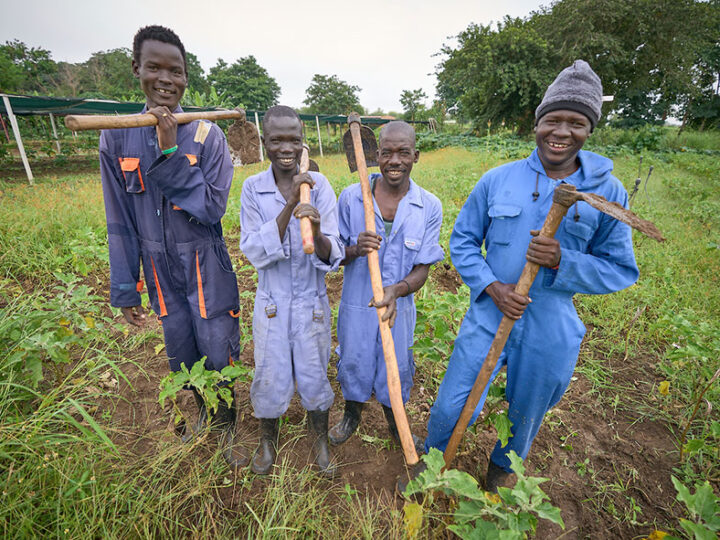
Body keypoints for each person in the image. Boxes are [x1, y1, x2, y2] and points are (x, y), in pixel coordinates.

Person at [421, 60, 639, 492]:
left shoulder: (607, 193)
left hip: (549, 321)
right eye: (552, 120)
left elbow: (620, 268)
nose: (561, 132)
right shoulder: (498, 180)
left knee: (528, 409)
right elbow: (463, 240)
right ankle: (433, 466)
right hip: (489, 311)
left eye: (575, 123)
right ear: (537, 123)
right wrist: (491, 286)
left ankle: (501, 473)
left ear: (589, 129)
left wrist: (563, 261)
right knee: (452, 402)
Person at [99, 25, 247, 469]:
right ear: (137, 70)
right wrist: (125, 286)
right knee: (180, 348)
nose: (166, 79)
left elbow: (211, 208)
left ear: (186, 77)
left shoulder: (206, 135)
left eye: (176, 71)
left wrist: (167, 154)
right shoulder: (117, 136)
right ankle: (200, 415)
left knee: (218, 346)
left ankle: (226, 427)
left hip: (205, 259)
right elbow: (119, 220)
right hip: (158, 265)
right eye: (154, 68)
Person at [239, 106, 343, 475]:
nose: (286, 147)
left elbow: (335, 251)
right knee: (269, 372)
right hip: (271, 304)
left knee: (315, 373)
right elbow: (254, 251)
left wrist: (314, 231)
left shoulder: (321, 185)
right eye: (277, 139)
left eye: (293, 140)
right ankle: (267, 441)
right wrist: (290, 206)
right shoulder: (253, 189)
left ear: (303, 143)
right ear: (264, 142)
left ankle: (319, 442)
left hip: (312, 302)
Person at [330, 121, 444, 451]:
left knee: (397, 364)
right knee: (353, 357)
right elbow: (334, 254)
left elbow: (422, 268)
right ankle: (352, 414)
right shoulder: (352, 198)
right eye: (387, 152)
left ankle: (396, 424)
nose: (395, 160)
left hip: (400, 304)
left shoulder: (429, 206)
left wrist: (398, 289)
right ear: (376, 155)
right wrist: (354, 248)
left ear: (416, 155)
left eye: (403, 152)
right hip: (356, 302)